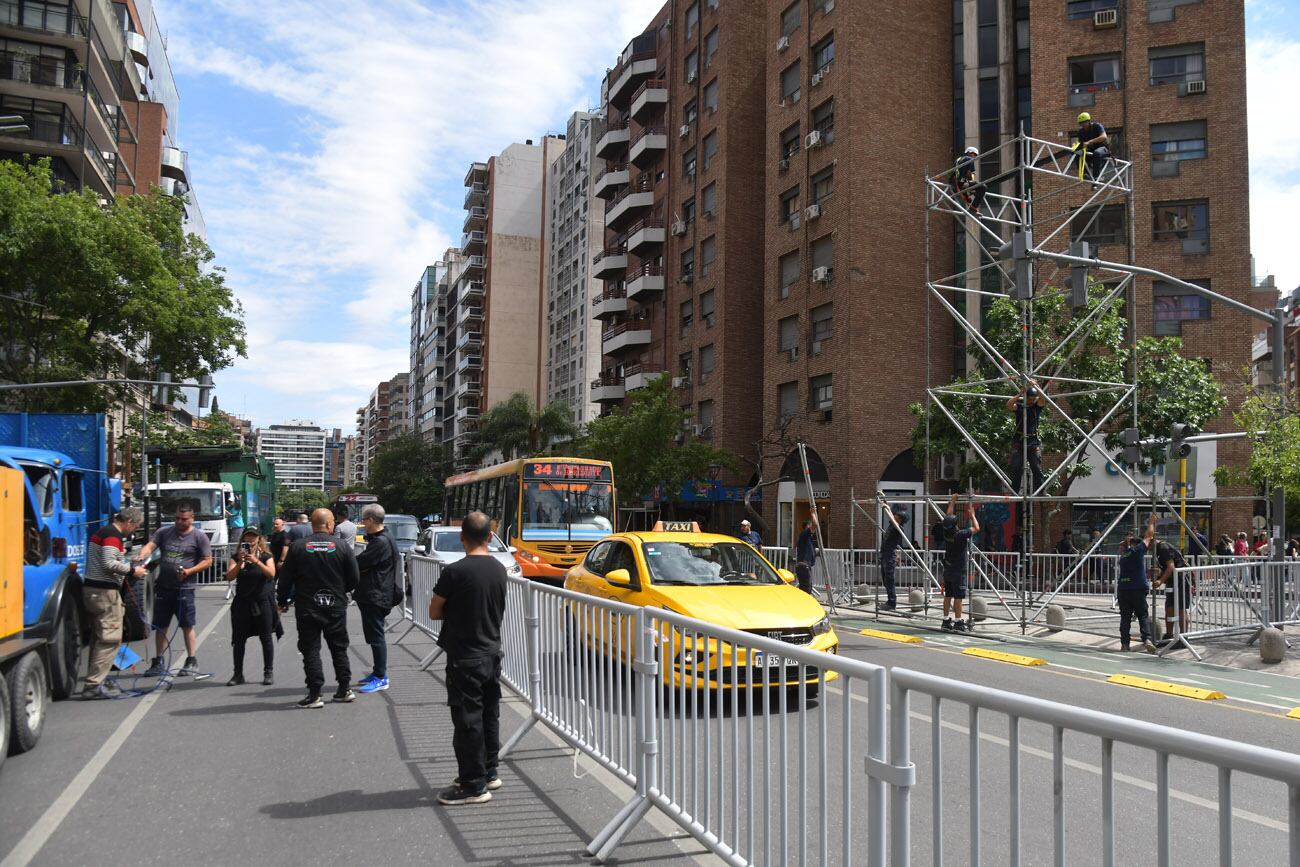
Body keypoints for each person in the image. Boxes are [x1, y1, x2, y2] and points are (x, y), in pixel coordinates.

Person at [429, 511, 508, 806]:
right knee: (489, 714)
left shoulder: (454, 572)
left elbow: (434, 611)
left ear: (461, 537)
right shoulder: (500, 569)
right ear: (490, 536)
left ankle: (472, 785)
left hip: (465, 656)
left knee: (467, 720)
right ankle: (489, 771)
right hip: (491, 652)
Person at [276, 508, 359, 708]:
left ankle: (314, 694)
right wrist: (340, 590)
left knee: (310, 649)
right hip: (335, 604)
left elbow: (285, 578)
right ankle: (344, 689)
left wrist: (282, 600)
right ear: (330, 525)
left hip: (307, 605)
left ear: (313, 525)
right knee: (339, 647)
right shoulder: (341, 546)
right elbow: (354, 578)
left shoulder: (298, 547)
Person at [139, 504, 213, 677]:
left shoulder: (199, 537)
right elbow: (150, 545)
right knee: (161, 625)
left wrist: (189, 572)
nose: (180, 522)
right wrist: (141, 556)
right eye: (177, 518)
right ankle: (158, 661)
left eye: (184, 519)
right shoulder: (164, 532)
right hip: (164, 587)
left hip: (184, 589)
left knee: (187, 625)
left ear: (192, 518)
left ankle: (191, 660)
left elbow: (208, 560)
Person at [81, 507, 148, 699]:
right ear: (128, 521)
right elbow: (108, 563)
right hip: (104, 592)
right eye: (135, 526)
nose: (134, 531)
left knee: (98, 637)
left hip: (94, 590)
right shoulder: (112, 535)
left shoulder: (104, 533)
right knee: (109, 638)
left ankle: (95, 679)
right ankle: (93, 684)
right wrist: (132, 571)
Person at [355, 503, 403, 694]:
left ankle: (381, 677)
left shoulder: (381, 542)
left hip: (376, 594)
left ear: (372, 520)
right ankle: (377, 673)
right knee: (375, 636)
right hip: (377, 593)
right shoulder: (383, 538)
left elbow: (360, 562)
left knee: (376, 637)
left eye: (365, 520)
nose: (363, 524)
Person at [225, 527, 277, 686]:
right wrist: (241, 561)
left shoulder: (266, 556)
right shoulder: (236, 557)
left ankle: (268, 672)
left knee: (266, 637)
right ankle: (237, 674)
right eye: (247, 541)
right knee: (239, 639)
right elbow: (229, 576)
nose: (250, 543)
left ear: (258, 540)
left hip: (262, 601)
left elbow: (271, 574)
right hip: (243, 602)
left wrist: (256, 561)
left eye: (253, 540)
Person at [1117, 515, 1158, 653]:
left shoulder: (1123, 556)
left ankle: (1124, 644)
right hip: (1138, 588)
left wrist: (1125, 544)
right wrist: (1151, 522)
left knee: (1125, 618)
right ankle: (1147, 639)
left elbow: (1124, 546)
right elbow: (1148, 536)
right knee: (1142, 615)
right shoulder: (1138, 551)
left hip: (1123, 589)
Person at [940, 495, 979, 632]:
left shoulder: (946, 532)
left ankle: (945, 621)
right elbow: (976, 528)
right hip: (959, 570)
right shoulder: (961, 534)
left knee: (948, 595)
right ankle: (958, 622)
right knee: (958, 597)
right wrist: (972, 515)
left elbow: (948, 517)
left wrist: (952, 501)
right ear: (956, 524)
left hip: (948, 569)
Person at [1006, 380, 1047, 494]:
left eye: (1033, 399)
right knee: (1016, 468)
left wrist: (1036, 386)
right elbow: (1009, 405)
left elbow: (1043, 398)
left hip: (1033, 441)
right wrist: (1019, 394)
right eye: (1029, 399)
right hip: (1019, 441)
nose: (1031, 401)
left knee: (1037, 469)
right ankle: (1015, 491)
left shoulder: (1036, 407)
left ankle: (1041, 491)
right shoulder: (1020, 406)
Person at [1153, 540, 1192, 640]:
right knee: (1169, 608)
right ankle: (1169, 635)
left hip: (1180, 578)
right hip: (1172, 580)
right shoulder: (1157, 549)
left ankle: (1183, 637)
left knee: (1180, 608)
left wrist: (1160, 581)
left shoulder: (1163, 547)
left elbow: (1171, 566)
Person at [879, 506, 907, 611]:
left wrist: (887, 507)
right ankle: (889, 600)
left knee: (889, 580)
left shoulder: (898, 528)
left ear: (900, 519)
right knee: (885, 580)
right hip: (885, 555)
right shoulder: (892, 525)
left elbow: (892, 519)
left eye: (896, 516)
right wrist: (886, 504)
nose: (893, 516)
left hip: (889, 556)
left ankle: (892, 602)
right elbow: (891, 517)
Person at [1073, 111, 1112, 183]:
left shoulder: (1097, 126)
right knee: (1078, 154)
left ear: (1089, 121)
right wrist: (1078, 148)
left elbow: (1104, 137)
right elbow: (1083, 144)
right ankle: (1085, 174)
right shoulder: (1081, 132)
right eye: (1081, 123)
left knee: (1096, 153)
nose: (1083, 125)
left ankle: (1096, 177)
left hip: (1103, 149)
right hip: (1091, 151)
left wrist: (1089, 142)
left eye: (1084, 123)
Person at [952, 145, 986, 211]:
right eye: (974, 155)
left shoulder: (958, 159)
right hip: (961, 184)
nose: (975, 157)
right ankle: (973, 208)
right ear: (969, 153)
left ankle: (969, 195)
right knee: (983, 187)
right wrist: (971, 179)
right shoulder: (969, 159)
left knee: (974, 189)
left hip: (954, 184)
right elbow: (969, 173)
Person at [795, 518, 818, 596]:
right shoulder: (805, 533)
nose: (813, 530)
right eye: (810, 526)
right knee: (806, 589)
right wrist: (813, 512)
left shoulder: (808, 537)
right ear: (808, 526)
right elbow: (815, 524)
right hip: (803, 564)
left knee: (806, 587)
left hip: (805, 564)